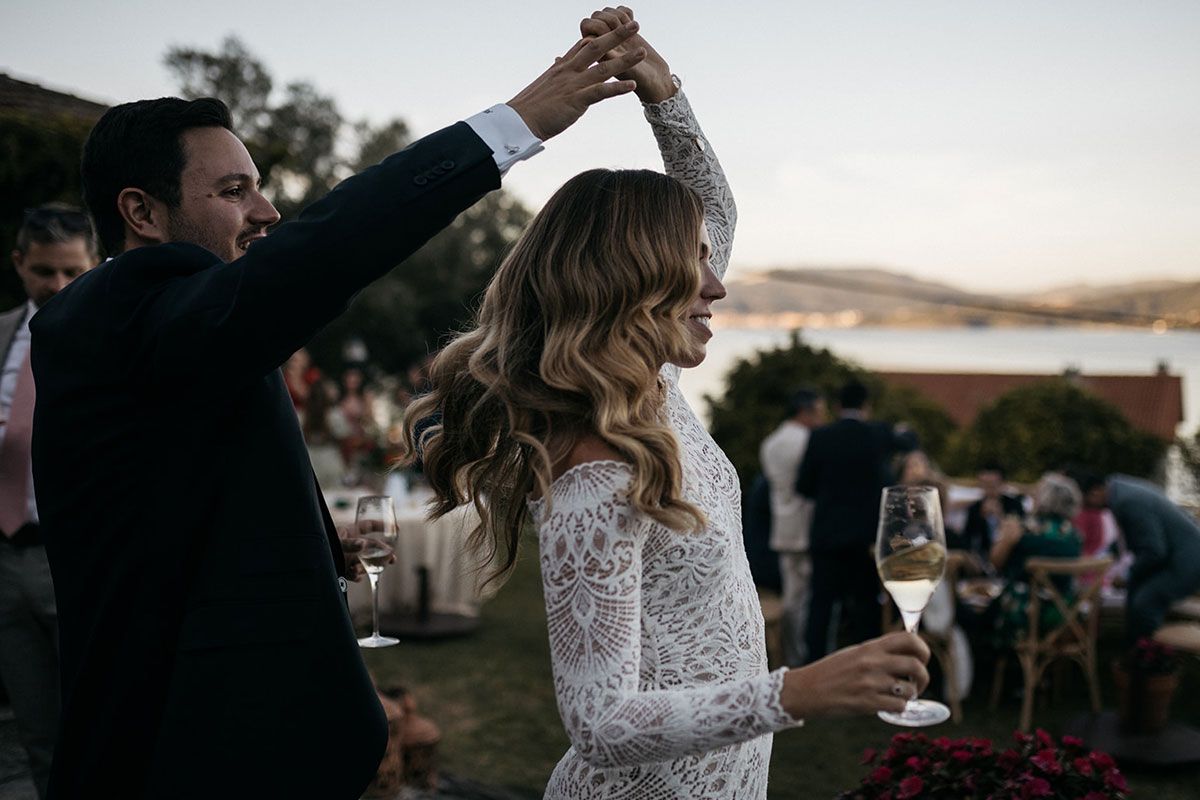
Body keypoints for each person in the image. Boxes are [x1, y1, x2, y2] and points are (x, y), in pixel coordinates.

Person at [30, 21, 650, 800]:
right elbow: (323, 250)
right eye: (232, 192)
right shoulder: (125, 311)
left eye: (258, 186)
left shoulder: (165, 329)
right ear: (142, 214)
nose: (265, 212)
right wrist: (514, 125)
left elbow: (184, 483)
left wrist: (318, 542)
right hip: (193, 755)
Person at [402, 10, 931, 799]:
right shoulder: (594, 479)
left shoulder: (655, 392)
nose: (716, 283)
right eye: (693, 266)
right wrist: (799, 691)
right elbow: (600, 723)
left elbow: (715, 209)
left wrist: (662, 93)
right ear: (630, 289)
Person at [1, 204, 99, 798]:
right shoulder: (3, 333)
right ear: (19, 265)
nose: (58, 286)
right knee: (37, 731)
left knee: (100, 720)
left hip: (77, 558)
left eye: (71, 272)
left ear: (94, 264)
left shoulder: (111, 335)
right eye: (44, 272)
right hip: (6, 560)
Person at [796, 379, 918, 662]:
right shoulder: (878, 433)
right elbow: (910, 443)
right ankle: (868, 668)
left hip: (827, 536)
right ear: (867, 406)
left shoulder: (820, 436)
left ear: (838, 406)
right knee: (866, 608)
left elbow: (803, 486)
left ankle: (815, 666)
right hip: (866, 539)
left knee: (821, 608)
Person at [1075, 471, 1200, 642]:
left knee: (1145, 603)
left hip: (1186, 563)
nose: (1085, 507)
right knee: (1135, 594)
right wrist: (1099, 558)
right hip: (1176, 558)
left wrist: (1126, 575)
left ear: (1096, 491)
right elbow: (1125, 541)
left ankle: (1148, 658)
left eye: (1084, 502)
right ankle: (1134, 655)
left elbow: (1154, 551)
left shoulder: (1127, 501)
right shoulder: (1121, 492)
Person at [759, 387, 824, 665]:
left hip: (782, 526)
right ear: (806, 412)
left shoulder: (771, 442)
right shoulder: (810, 441)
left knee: (792, 597)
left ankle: (790, 655)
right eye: (820, 411)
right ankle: (804, 658)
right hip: (807, 526)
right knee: (806, 601)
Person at [988, 472, 1083, 648]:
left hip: (1029, 615)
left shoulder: (1026, 529)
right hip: (1066, 615)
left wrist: (1006, 536)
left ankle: (994, 671)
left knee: (983, 618)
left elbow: (995, 563)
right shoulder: (1074, 536)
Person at [957, 462, 1025, 562]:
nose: (989, 489)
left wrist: (1000, 516)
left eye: (992, 485)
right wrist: (981, 517)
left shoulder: (1014, 504)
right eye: (985, 485)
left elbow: (1022, 531)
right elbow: (968, 538)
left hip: (1011, 556)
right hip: (982, 558)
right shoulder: (975, 508)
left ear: (1002, 484)